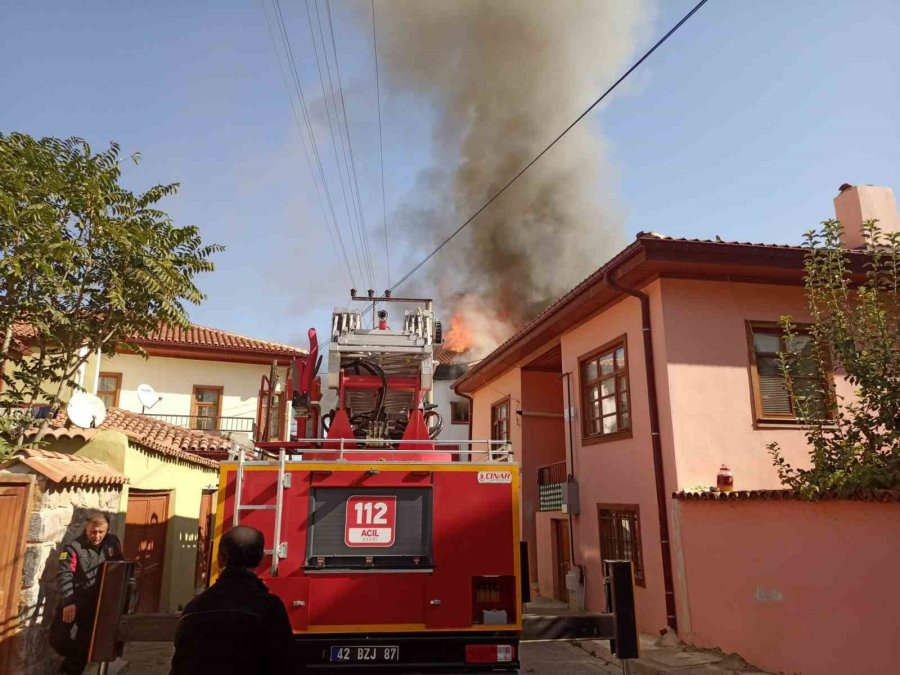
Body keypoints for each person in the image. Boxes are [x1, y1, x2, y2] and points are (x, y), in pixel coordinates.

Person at [169, 526, 294, 675]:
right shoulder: (270, 607)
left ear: (220, 558)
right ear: (261, 559)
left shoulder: (193, 608)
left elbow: (179, 666)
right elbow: (287, 665)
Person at [56, 512, 124, 675]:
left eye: (101, 532)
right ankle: (75, 658)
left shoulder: (112, 542)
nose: (97, 536)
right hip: (74, 600)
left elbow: (119, 562)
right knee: (57, 639)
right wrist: (68, 602)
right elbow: (65, 573)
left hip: (96, 603)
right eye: (93, 532)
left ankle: (70, 670)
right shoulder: (73, 547)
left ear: (107, 530)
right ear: (86, 529)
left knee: (85, 642)